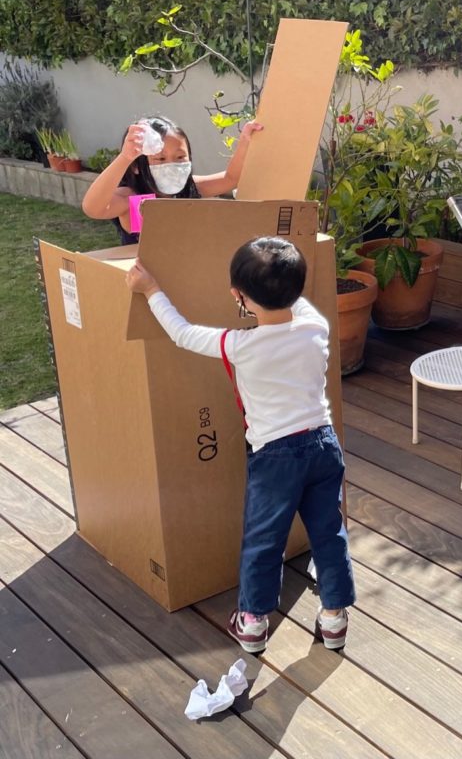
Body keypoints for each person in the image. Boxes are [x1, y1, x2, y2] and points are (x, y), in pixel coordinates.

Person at [125, 236, 355, 654]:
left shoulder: (240, 345)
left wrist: (151, 290)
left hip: (276, 457)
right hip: (323, 445)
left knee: (264, 539)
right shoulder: (315, 326)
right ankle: (335, 618)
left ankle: (252, 623)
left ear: (238, 296)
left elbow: (182, 333)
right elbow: (294, 301)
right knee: (328, 532)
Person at [82, 115, 262, 244]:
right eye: (160, 159)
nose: (171, 165)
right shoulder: (133, 199)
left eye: (180, 157)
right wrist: (125, 158)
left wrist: (245, 141)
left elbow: (231, 178)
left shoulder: (190, 189)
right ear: (137, 166)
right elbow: (93, 208)